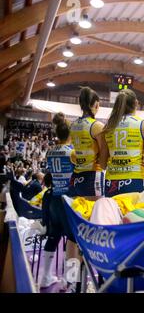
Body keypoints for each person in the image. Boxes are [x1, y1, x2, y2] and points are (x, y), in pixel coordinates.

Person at [99, 89, 144, 197]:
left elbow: (102, 164)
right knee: (135, 215)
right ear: (136, 103)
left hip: (111, 183)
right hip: (135, 182)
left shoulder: (108, 127)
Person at [40, 113, 78, 289]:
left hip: (54, 198)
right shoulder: (72, 152)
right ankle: (68, 281)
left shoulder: (50, 151)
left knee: (53, 237)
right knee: (72, 240)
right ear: (70, 134)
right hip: (68, 200)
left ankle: (45, 276)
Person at [69, 87, 105, 200]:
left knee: (77, 212)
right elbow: (104, 157)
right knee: (94, 214)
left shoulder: (73, 125)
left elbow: (74, 153)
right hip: (92, 177)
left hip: (76, 177)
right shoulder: (97, 126)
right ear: (97, 105)